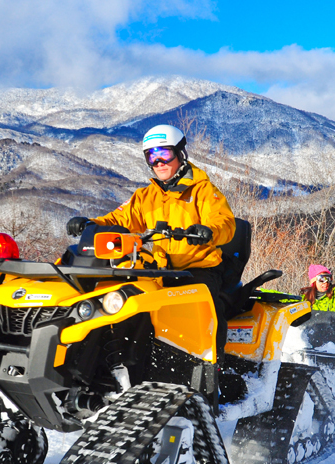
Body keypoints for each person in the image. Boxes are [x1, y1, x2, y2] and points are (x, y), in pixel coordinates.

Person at [66, 124, 236, 362]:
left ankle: (213, 366)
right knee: (126, 303)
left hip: (198, 269)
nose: (159, 163)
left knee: (205, 308)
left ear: (180, 153)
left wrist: (208, 231)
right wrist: (89, 224)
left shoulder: (203, 191)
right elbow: (118, 219)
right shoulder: (146, 196)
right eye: (151, 156)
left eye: (164, 154)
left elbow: (225, 223)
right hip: (159, 270)